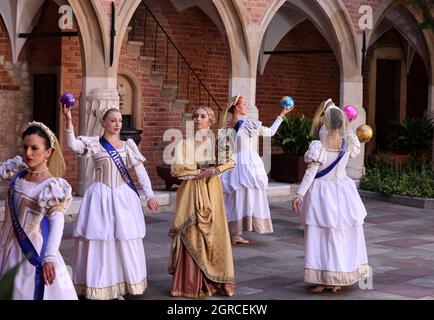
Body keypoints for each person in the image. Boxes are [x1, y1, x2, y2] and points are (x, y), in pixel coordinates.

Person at [62, 104, 159, 300]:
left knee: (123, 240)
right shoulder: (95, 144)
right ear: (103, 122)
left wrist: (150, 195)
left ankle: (122, 285)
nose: (117, 124)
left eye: (120, 121)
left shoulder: (128, 145)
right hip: (100, 196)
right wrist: (69, 120)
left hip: (123, 197)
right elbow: (73, 145)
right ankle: (102, 285)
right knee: (101, 240)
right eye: (113, 120)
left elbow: (140, 172)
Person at [292, 104, 369, 293]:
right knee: (339, 236)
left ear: (325, 123)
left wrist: (299, 194)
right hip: (343, 193)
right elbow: (354, 147)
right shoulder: (348, 143)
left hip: (321, 194)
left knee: (319, 236)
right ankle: (336, 279)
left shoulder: (318, 146)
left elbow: (310, 174)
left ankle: (322, 279)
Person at [0, 121, 78, 300]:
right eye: (25, 147)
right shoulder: (18, 171)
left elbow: (57, 222)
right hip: (5, 246)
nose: (28, 153)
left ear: (48, 152)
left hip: (28, 252)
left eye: (35, 148)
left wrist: (50, 256)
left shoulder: (52, 186)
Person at [169, 106, 236, 298]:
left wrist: (214, 170)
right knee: (191, 230)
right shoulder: (184, 144)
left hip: (211, 189)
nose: (198, 119)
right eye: (196, 116)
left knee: (213, 230)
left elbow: (231, 161)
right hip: (191, 191)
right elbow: (177, 170)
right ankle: (190, 283)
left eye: (203, 116)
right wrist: (200, 171)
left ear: (210, 120)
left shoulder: (218, 143)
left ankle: (213, 280)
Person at [220, 95, 292, 245]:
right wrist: (281, 115)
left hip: (233, 162)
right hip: (247, 163)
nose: (246, 106)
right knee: (246, 195)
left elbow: (224, 149)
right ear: (237, 108)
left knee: (235, 197)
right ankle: (236, 233)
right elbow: (270, 132)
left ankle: (233, 232)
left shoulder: (226, 126)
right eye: (244, 104)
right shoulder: (246, 125)